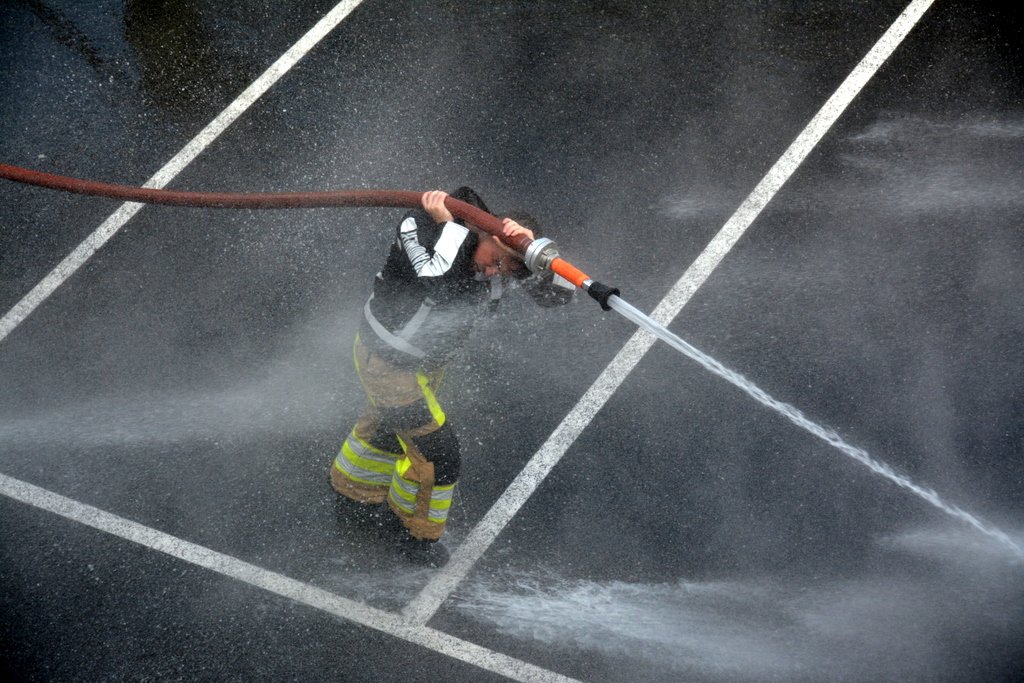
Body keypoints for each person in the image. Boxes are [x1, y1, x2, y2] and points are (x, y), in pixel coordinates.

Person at [331, 186, 575, 567]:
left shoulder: (500, 256)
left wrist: (537, 252)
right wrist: (450, 225)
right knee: (439, 454)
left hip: (424, 367)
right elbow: (436, 280)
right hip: (388, 363)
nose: (494, 273)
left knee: (389, 431)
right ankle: (414, 537)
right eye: (496, 260)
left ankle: (352, 492)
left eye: (506, 268)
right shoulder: (419, 226)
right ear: (487, 235)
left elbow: (559, 297)